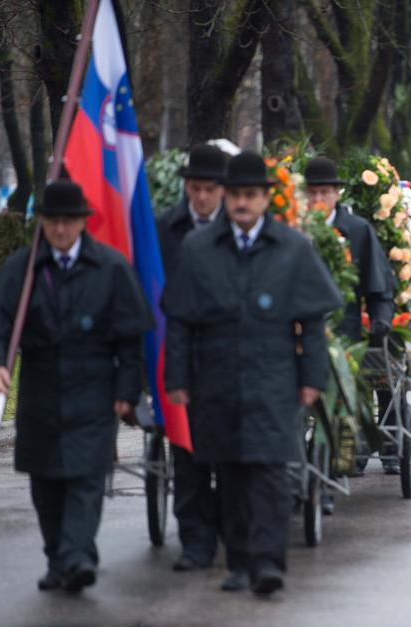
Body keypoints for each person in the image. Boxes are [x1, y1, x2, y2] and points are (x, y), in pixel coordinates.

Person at [163, 151, 343, 596]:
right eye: (236, 195)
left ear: (265, 198)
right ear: (226, 198)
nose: (242, 204)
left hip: (274, 381)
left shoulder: (293, 248)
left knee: (269, 475)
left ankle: (267, 563)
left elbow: (312, 323)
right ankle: (240, 563)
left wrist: (311, 378)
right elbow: (181, 321)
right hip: (216, 383)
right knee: (230, 477)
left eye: (251, 195)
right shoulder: (198, 249)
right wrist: (178, 380)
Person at [0, 180, 154, 593]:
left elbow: (131, 339)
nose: (60, 229)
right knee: (47, 483)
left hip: (94, 391)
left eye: (68, 221)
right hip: (41, 390)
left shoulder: (109, 267)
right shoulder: (23, 268)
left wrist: (127, 392)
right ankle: (59, 559)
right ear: (42, 223)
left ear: (82, 222)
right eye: (52, 221)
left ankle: (78, 556)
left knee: (85, 479)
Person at [155, 144, 229, 573]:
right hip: (179, 351)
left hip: (229, 358)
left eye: (209, 190)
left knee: (230, 457)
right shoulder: (165, 229)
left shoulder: (240, 225)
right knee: (187, 455)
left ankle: (223, 527)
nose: (201, 198)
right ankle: (195, 541)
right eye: (194, 189)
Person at [304, 156, 397, 479]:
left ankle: (355, 445)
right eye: (311, 193)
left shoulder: (358, 231)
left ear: (337, 194)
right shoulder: (294, 229)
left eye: (324, 192)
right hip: (298, 331)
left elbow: (378, 286)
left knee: (355, 388)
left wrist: (381, 321)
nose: (318, 200)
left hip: (347, 333)